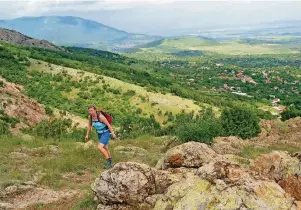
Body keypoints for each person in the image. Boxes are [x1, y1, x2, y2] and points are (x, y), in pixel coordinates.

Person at [85, 105, 116, 169]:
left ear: (95, 110)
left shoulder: (101, 117)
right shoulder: (90, 117)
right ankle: (110, 162)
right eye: (89, 111)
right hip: (99, 134)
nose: (90, 112)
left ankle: (108, 162)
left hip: (106, 133)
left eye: (92, 110)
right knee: (105, 148)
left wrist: (113, 133)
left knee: (99, 147)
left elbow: (108, 125)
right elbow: (89, 126)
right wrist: (87, 135)